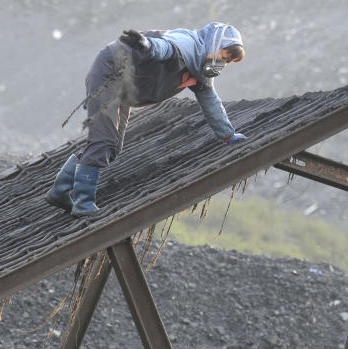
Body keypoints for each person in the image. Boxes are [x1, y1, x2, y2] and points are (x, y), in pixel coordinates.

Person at [47, 22, 247, 218]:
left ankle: (60, 191)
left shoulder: (199, 70)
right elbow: (164, 48)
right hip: (110, 73)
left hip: (126, 88)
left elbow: (211, 102)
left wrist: (228, 136)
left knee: (113, 147)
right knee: (103, 140)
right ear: (214, 43)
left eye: (228, 61)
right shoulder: (186, 46)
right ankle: (83, 203)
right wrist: (146, 45)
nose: (223, 63)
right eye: (224, 55)